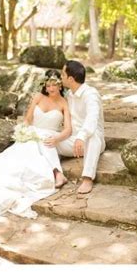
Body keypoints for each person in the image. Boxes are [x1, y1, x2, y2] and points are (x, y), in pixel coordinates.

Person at [0, 69, 72, 219]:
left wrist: (57, 139)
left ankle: (57, 173)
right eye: (48, 85)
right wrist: (22, 130)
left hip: (51, 135)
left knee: (45, 138)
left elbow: (68, 129)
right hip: (33, 132)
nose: (50, 89)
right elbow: (28, 119)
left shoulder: (64, 103)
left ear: (60, 86)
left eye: (54, 85)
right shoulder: (38, 97)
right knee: (9, 159)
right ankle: (56, 173)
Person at [58, 60, 105, 194]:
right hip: (73, 141)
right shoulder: (69, 95)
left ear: (71, 79)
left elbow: (92, 118)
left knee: (93, 135)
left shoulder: (90, 94)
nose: (61, 77)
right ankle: (56, 173)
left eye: (63, 74)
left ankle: (87, 178)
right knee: (49, 140)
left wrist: (81, 137)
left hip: (90, 141)